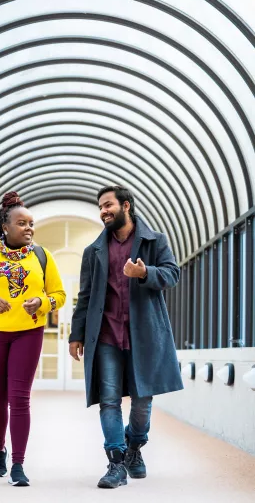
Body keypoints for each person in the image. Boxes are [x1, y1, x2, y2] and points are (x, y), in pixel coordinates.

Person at [69, 186, 183, 489]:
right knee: (109, 401)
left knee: (142, 401)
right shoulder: (93, 251)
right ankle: (116, 462)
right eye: (100, 207)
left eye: (108, 205)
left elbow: (173, 274)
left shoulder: (154, 241)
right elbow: (85, 295)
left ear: (126, 206)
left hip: (143, 335)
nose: (104, 211)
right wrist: (75, 334)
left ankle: (134, 449)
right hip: (105, 335)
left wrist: (146, 274)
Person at [0, 192, 66, 487]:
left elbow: (59, 295)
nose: (29, 228)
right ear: (6, 227)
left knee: (20, 399)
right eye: (22, 223)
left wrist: (42, 303)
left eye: (31, 223)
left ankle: (18, 464)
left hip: (28, 334)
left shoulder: (43, 257)